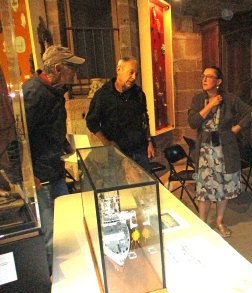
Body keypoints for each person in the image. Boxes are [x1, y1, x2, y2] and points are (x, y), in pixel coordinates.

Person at [22, 45, 85, 272]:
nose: (75, 74)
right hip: (41, 177)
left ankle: (67, 270)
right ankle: (51, 278)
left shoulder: (57, 91)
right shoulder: (32, 93)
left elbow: (49, 128)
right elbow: (20, 138)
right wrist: (29, 174)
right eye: (72, 69)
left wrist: (64, 144)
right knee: (48, 232)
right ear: (58, 69)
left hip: (55, 169)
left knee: (65, 223)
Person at [188, 66, 251, 238]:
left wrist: (237, 128)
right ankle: (202, 223)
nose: (204, 79)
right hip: (204, 152)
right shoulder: (198, 99)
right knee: (203, 189)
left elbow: (250, 112)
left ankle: (219, 221)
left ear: (219, 81)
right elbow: (193, 122)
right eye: (203, 76)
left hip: (225, 150)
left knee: (223, 187)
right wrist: (209, 106)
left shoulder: (229, 99)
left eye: (209, 76)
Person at [86, 57, 154, 171]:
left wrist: (149, 141)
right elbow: (92, 122)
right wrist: (106, 143)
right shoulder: (103, 95)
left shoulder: (139, 94)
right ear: (118, 69)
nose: (134, 77)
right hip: (117, 153)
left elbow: (144, 118)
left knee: (144, 187)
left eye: (136, 74)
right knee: (121, 186)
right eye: (131, 72)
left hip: (140, 150)